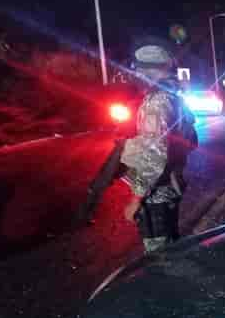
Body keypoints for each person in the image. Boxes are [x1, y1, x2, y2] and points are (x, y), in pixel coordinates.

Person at [78, 39, 197, 252]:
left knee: (160, 255)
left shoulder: (157, 102)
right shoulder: (174, 97)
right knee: (171, 246)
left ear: (149, 71)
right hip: (170, 184)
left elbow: (154, 156)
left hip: (158, 191)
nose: (136, 74)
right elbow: (190, 141)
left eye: (139, 70)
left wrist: (136, 199)